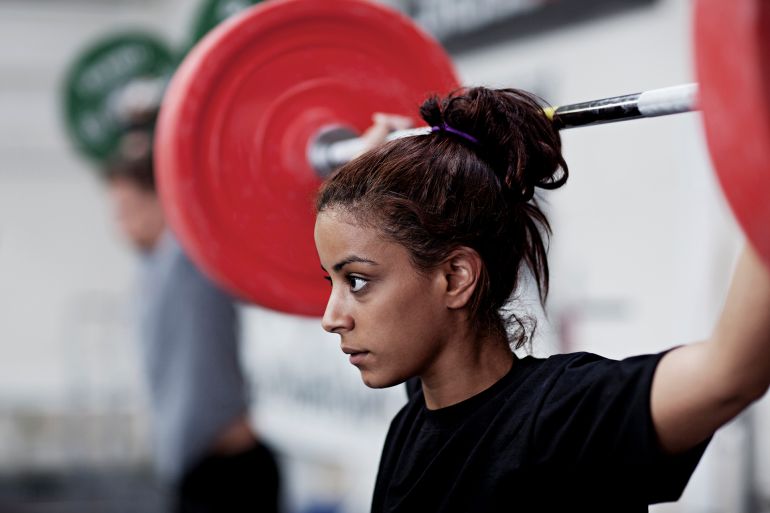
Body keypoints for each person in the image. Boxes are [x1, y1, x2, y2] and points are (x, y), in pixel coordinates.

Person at [313, 87, 770, 511]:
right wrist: (372, 165)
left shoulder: (561, 420)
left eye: (356, 281)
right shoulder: (418, 416)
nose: (331, 319)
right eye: (331, 280)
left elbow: (730, 373)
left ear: (455, 278)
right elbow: (376, 240)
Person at [104, 135, 280, 513]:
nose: (120, 226)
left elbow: (208, 190)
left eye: (126, 208)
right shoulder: (151, 267)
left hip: (232, 476)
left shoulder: (189, 257)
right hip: (195, 469)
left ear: (163, 201)